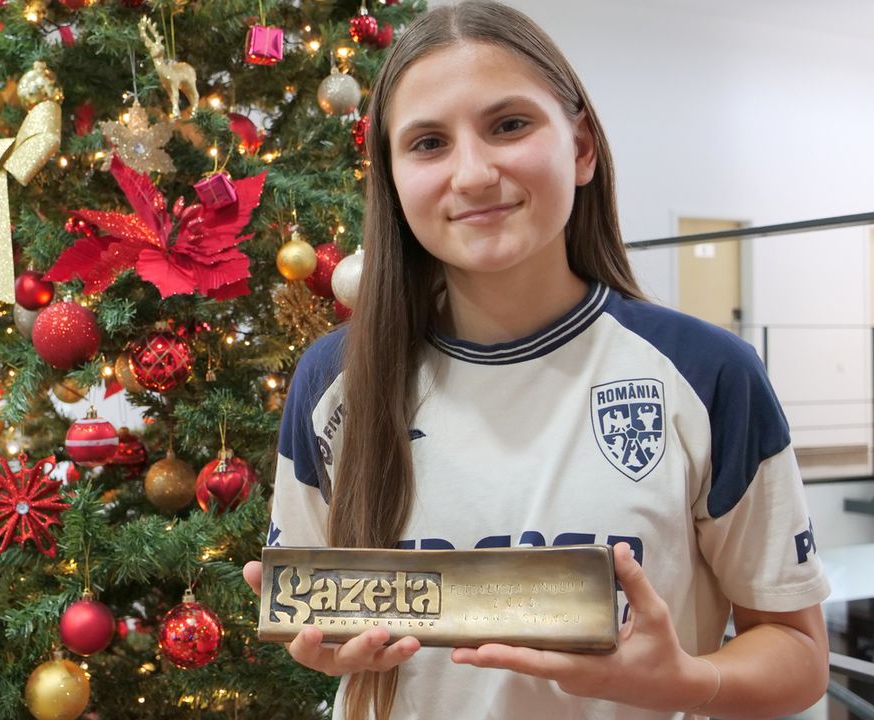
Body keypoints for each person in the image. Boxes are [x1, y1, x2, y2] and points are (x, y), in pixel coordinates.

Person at [243, 1, 831, 718]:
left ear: (580, 148)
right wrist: (316, 644)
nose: (473, 174)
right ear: (391, 177)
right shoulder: (334, 378)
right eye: (428, 143)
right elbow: (309, 614)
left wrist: (685, 681)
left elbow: (798, 655)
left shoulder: (709, 374)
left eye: (509, 125)